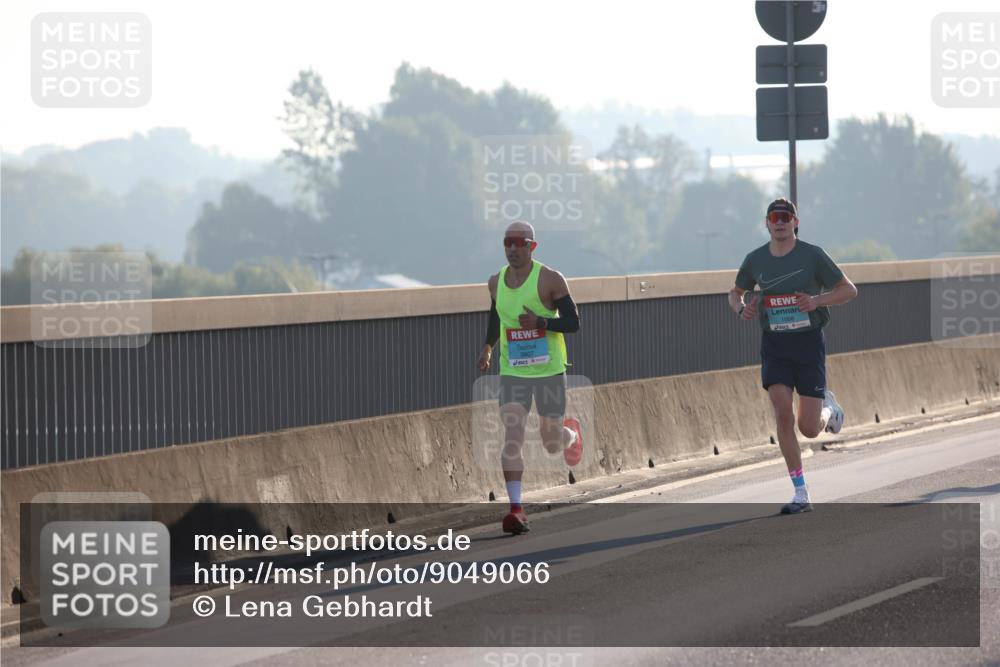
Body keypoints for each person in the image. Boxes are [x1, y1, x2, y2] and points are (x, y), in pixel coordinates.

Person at [729, 198, 858, 514]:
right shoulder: (756, 259)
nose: (781, 221)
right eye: (775, 217)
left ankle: (829, 408)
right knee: (782, 409)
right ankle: (801, 492)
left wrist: (816, 301)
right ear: (767, 223)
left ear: (796, 222)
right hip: (775, 345)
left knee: (809, 429)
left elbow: (849, 290)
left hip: (808, 343)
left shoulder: (812, 256)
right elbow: (736, 292)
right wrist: (741, 307)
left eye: (786, 217)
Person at [478, 221, 583, 534]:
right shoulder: (495, 282)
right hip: (513, 371)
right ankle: (516, 509)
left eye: (519, 242)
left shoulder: (550, 279)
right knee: (512, 434)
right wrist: (487, 347)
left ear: (532, 246)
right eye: (507, 242)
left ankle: (571, 435)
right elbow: (496, 316)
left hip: (549, 370)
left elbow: (574, 323)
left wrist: (541, 322)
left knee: (551, 442)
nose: (512, 248)